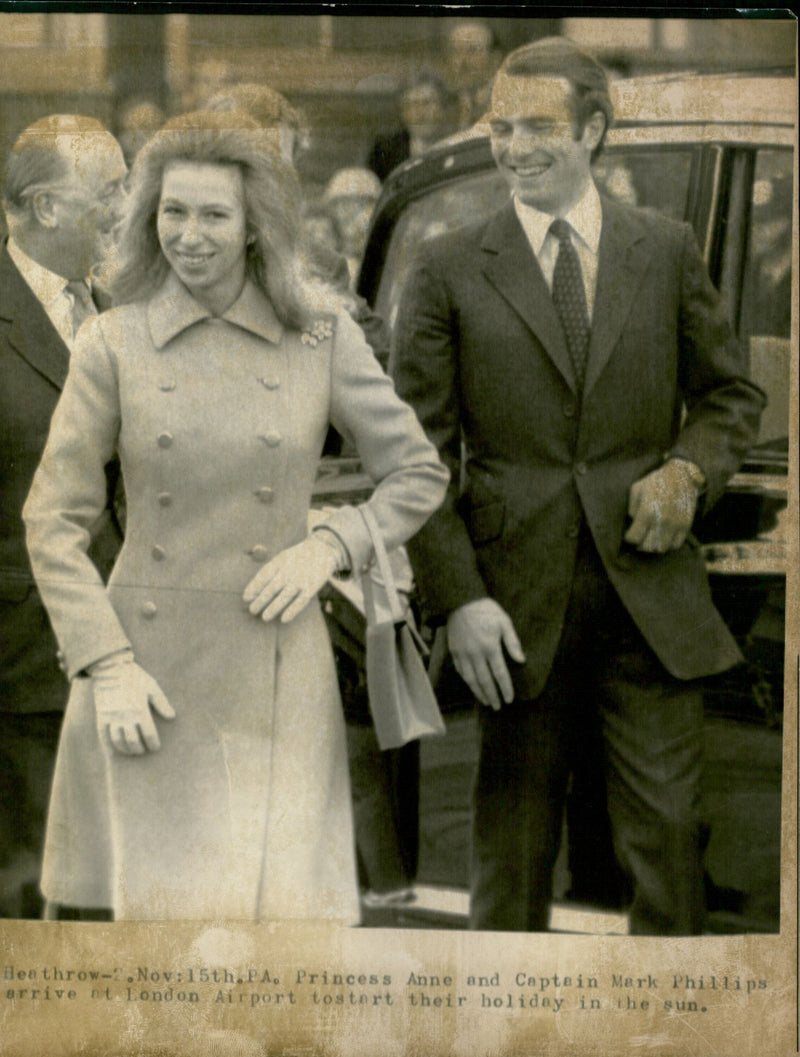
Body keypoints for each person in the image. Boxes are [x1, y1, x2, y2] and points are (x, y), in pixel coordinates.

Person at [23, 109, 448, 923]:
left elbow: (417, 471)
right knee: (148, 949)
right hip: (142, 672)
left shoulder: (318, 337)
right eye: (173, 212)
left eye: (215, 214)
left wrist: (331, 543)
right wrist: (104, 664)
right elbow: (53, 520)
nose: (191, 235)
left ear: (256, 225)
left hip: (279, 667)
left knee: (274, 940)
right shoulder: (113, 343)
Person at [392, 38, 765, 935]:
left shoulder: (665, 248)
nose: (515, 146)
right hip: (512, 614)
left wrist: (688, 469)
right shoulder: (447, 265)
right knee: (512, 859)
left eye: (540, 127)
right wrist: (462, 600)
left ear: (594, 131)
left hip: (649, 601)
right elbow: (414, 454)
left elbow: (729, 394)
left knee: (670, 845)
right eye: (502, 126)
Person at [0, 114, 127, 919]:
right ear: (47, 208)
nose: (127, 206)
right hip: (21, 663)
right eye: (110, 189)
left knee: (109, 891)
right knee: (22, 892)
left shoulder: (116, 310)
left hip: (126, 653)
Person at [368, 72, 454, 182]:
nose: (420, 114)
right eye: (412, 105)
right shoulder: (384, 153)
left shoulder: (458, 146)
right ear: (403, 113)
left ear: (443, 109)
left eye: (427, 103)